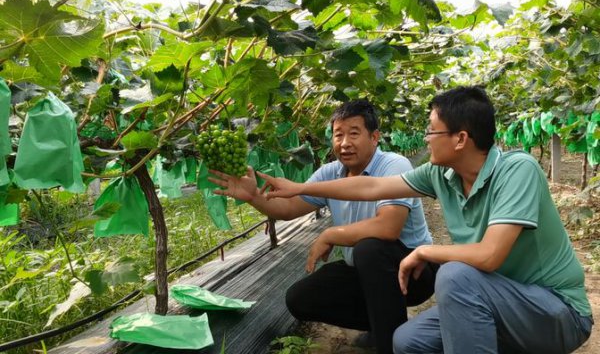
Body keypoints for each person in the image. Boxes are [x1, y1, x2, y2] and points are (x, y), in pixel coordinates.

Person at [252, 87, 593, 354]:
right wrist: (300, 187)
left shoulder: (517, 169)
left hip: (556, 313)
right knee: (407, 342)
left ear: (460, 139)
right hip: (500, 305)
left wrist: (427, 252)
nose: (426, 139)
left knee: (456, 275)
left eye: (432, 132)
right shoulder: (440, 175)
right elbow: (370, 185)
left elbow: (489, 256)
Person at [210, 99, 437, 354]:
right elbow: (289, 208)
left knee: (370, 248)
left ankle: (390, 344)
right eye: (338, 135)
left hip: (414, 271)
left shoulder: (394, 165)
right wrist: (253, 196)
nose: (344, 143)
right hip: (364, 270)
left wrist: (331, 233)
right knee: (300, 298)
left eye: (354, 133)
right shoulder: (330, 173)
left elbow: (388, 228)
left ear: (375, 137)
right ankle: (383, 321)